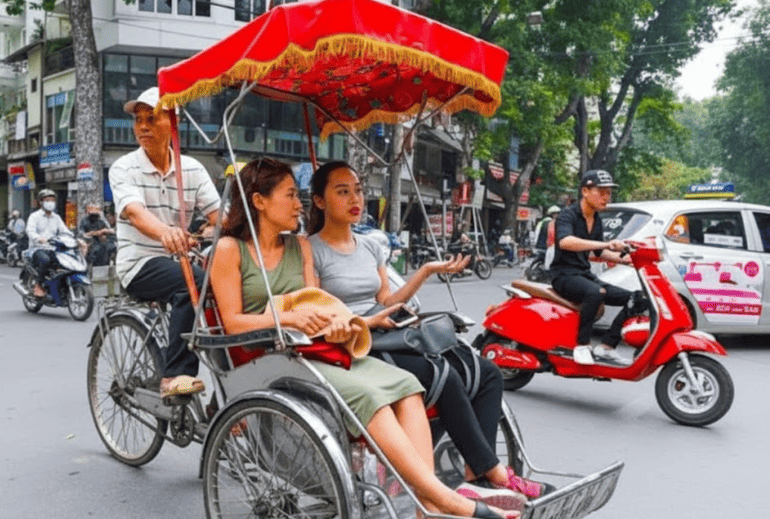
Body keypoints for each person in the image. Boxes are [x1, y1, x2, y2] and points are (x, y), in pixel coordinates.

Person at [208, 158, 517, 518]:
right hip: (267, 357)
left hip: (315, 349)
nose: (298, 205)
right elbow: (232, 323)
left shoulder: (299, 248)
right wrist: (287, 317)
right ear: (259, 201)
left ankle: (426, 507)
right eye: (290, 195)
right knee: (373, 398)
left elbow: (318, 304)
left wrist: (348, 324)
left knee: (408, 387)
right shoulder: (229, 249)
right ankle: (446, 502)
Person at [307, 161, 550, 501]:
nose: (355, 199)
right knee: (444, 376)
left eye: (358, 190)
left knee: (488, 372)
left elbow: (386, 300)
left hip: (390, 330)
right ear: (319, 201)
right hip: (356, 342)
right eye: (342, 191)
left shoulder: (370, 246)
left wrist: (426, 271)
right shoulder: (311, 249)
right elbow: (316, 306)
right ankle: (494, 473)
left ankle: (475, 476)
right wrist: (367, 322)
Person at [110, 87, 220, 400]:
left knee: (227, 290)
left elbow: (219, 215)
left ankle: (225, 398)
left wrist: (219, 227)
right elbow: (134, 213)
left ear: (173, 122)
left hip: (180, 260)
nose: (142, 127)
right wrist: (165, 233)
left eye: (151, 118)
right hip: (139, 264)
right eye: (138, 120)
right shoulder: (124, 168)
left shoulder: (193, 169)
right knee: (191, 283)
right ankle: (175, 376)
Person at [550, 170, 634, 366]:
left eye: (609, 193)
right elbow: (565, 242)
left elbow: (599, 252)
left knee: (636, 298)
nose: (606, 198)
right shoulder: (567, 215)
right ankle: (582, 345)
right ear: (585, 191)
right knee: (596, 292)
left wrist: (627, 260)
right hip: (563, 276)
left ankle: (607, 346)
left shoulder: (597, 220)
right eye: (601, 192)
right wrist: (605, 244)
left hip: (584, 275)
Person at [25, 189, 73, 297]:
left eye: (52, 200)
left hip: (53, 248)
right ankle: (38, 285)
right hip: (37, 248)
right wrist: (38, 238)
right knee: (45, 260)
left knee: (66, 261)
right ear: (41, 202)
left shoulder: (56, 217)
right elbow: (30, 231)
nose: (50, 202)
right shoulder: (34, 216)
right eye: (47, 200)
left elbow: (65, 231)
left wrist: (75, 238)